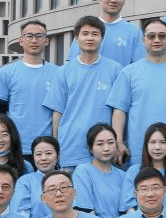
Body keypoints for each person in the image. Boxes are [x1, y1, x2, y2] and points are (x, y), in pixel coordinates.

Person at [108, 18, 166, 163]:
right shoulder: (129, 72)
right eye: (151, 36)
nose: (157, 40)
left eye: (162, 36)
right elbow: (120, 110)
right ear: (143, 40)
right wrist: (118, 141)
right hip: (139, 150)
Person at [45, 15, 123, 168]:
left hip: (105, 148)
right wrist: (56, 144)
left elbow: (118, 110)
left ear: (102, 38)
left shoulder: (115, 70)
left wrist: (118, 142)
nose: (90, 38)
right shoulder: (63, 72)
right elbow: (57, 112)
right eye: (85, 33)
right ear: (76, 38)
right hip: (71, 148)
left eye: (95, 34)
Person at [0, 19, 59, 148]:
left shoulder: (58, 73)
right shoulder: (6, 72)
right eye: (29, 36)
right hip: (15, 147)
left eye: (39, 36)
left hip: (47, 147)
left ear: (46, 41)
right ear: (21, 40)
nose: (34, 40)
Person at [66, 0, 141, 67]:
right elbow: (72, 64)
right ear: (100, 0)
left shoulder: (134, 31)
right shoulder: (86, 29)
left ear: (124, 1)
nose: (113, 0)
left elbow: (139, 65)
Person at [72, 123, 124, 218]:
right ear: (90, 148)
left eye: (111, 143)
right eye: (100, 144)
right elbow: (85, 211)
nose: (106, 148)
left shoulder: (123, 176)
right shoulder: (83, 171)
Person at [11, 135, 60, 218]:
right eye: (38, 154)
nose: (43, 158)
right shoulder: (25, 181)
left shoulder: (68, 180)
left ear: (58, 156)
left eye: (49, 153)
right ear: (33, 157)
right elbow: (20, 215)